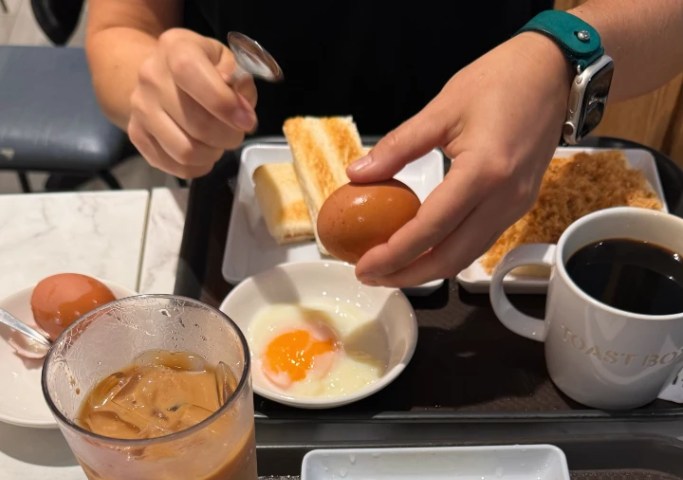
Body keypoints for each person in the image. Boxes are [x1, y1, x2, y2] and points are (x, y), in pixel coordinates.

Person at [84, 1, 683, 287]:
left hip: (502, 201)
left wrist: (561, 52)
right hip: (238, 225)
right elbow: (120, 29)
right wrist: (157, 85)